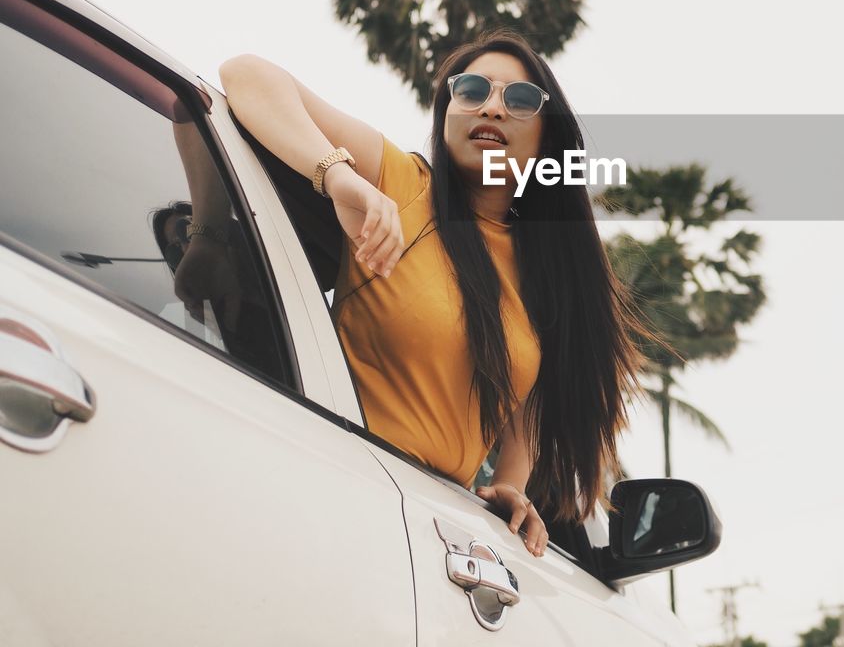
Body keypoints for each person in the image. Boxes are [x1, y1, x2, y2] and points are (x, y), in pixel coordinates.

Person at [218, 30, 651, 558]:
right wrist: (337, 177)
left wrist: (511, 481)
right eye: (471, 91)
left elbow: (527, 391)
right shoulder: (404, 184)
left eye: (518, 100)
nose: (491, 108)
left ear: (545, 137)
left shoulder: (543, 269)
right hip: (336, 482)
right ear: (447, 112)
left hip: (435, 531)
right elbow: (244, 74)